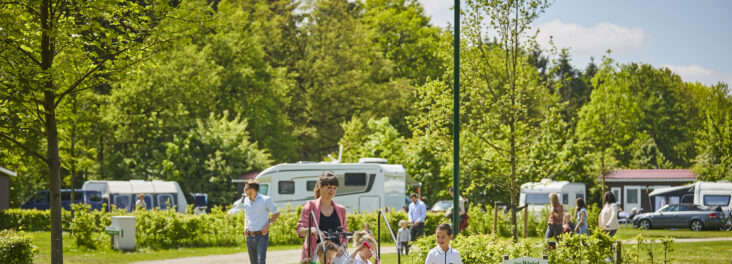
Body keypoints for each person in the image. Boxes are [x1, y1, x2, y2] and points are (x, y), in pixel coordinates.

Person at [297, 171, 348, 262]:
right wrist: (312, 230)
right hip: (318, 250)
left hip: (337, 251)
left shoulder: (341, 209)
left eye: (334, 188)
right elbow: (300, 231)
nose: (332, 190)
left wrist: (343, 247)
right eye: (329, 187)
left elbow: (345, 234)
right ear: (320, 187)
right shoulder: (310, 206)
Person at [234, 179, 280, 264]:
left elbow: (276, 213)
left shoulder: (266, 199)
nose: (245, 191)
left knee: (260, 262)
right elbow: (246, 214)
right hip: (249, 236)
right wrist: (245, 226)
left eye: (246, 189)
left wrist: (268, 225)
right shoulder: (246, 201)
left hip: (262, 236)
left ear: (252, 189)